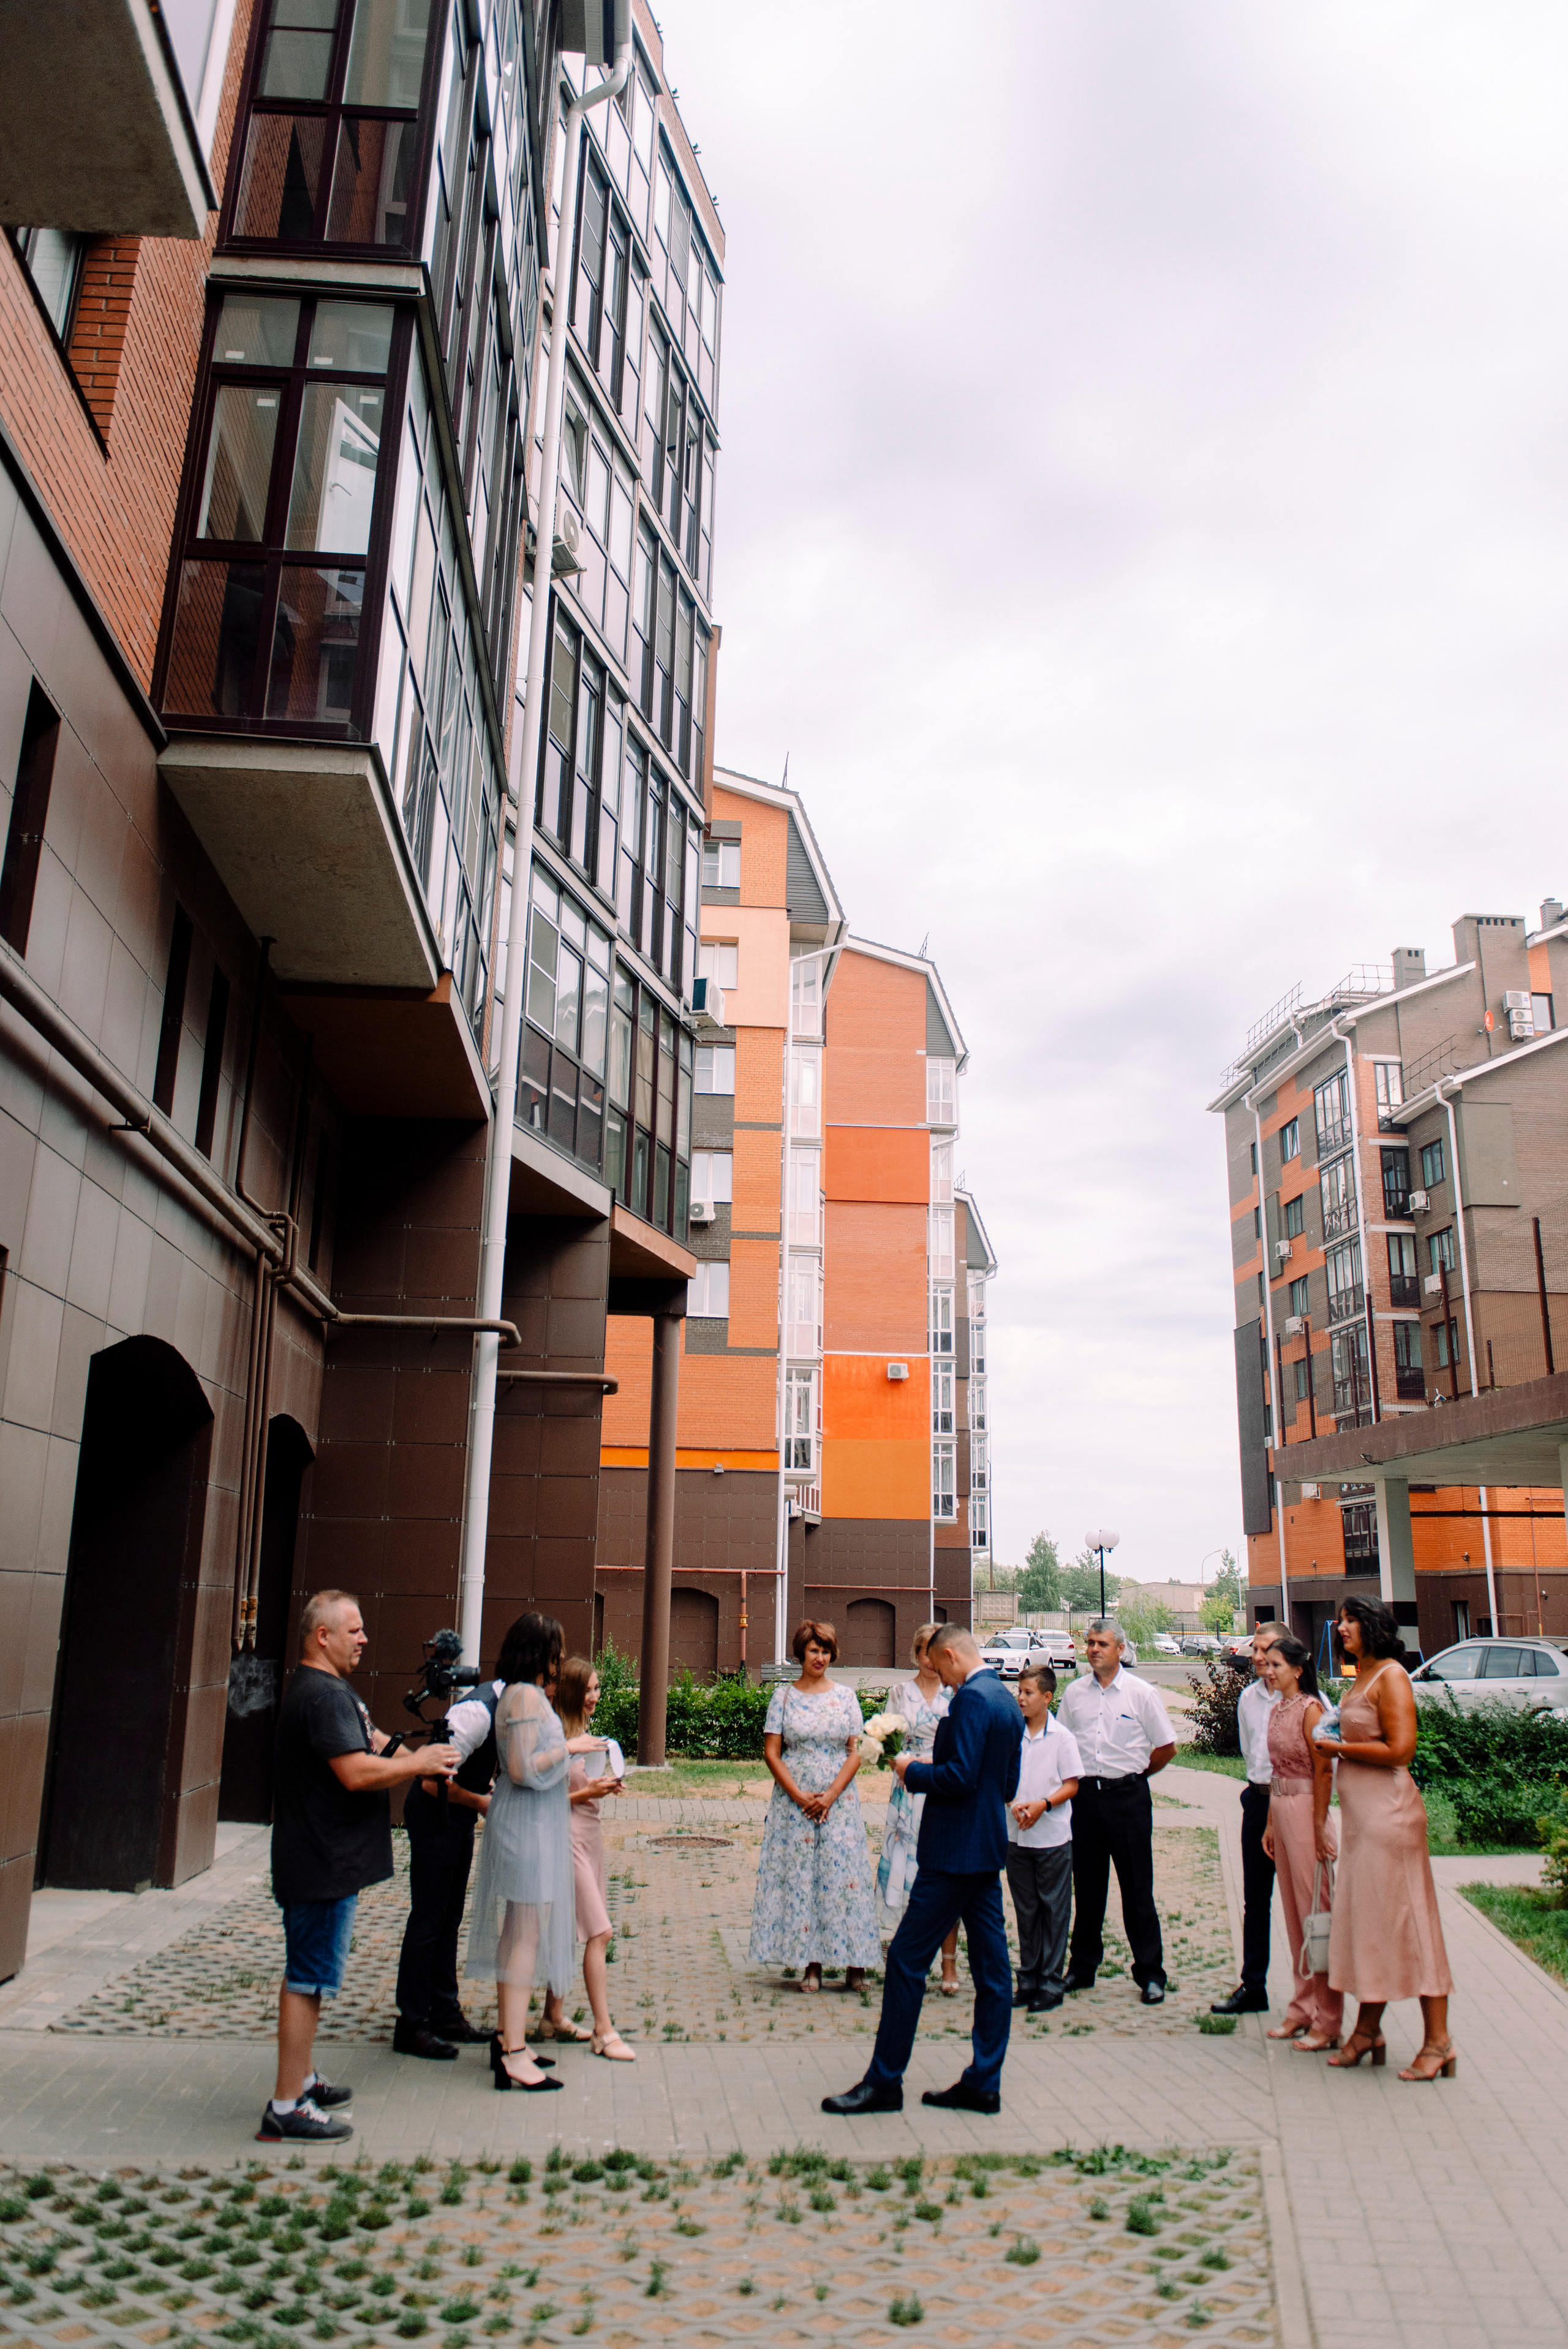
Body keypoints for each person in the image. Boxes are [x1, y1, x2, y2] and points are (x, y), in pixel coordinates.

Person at [260, 1589, 456, 2143]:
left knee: (312, 1977)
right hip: (321, 1864)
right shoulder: (321, 1696)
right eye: (354, 1630)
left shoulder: (331, 1692)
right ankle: (286, 2104)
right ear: (322, 1636)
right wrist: (417, 1762)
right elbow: (352, 1770)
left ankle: (300, 2078)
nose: (364, 1639)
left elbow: (371, 1742)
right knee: (307, 1979)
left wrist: (422, 1763)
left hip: (323, 1861)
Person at [822, 1624, 1023, 2117]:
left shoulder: (973, 1700)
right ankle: (984, 2081)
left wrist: (911, 1769)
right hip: (987, 1848)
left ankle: (885, 2082)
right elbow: (1008, 1782)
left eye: (941, 1668)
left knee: (908, 1959)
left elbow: (959, 1776)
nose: (942, 1679)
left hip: (952, 1852)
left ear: (952, 1656)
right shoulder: (1004, 1698)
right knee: (994, 1970)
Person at [1315, 1597, 1455, 2081]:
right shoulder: (1363, 1673)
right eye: (1340, 1620)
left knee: (1412, 1925)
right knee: (1371, 1927)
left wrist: (1337, 1748)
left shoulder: (1392, 1675)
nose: (1341, 1627)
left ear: (1371, 1625)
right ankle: (1367, 2030)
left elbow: (1401, 1750)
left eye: (1350, 1619)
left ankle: (1438, 2043)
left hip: (1390, 1820)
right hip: (1362, 1823)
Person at [463, 1613, 573, 2092]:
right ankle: (511, 2052)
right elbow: (522, 1767)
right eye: (556, 1650)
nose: (561, 1660)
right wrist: (573, 1747)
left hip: (527, 1821)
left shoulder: (515, 1693)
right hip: (525, 1823)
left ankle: (513, 2040)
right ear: (539, 1652)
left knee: (519, 1932)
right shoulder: (525, 1695)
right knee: (525, 1934)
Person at [748, 1621, 880, 1992]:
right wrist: (799, 1795)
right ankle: (812, 1964)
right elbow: (772, 1752)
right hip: (795, 1803)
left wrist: (831, 1794)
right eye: (813, 1651)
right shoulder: (784, 1698)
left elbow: (856, 1751)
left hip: (839, 1801)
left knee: (844, 1879)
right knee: (804, 1879)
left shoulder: (846, 1697)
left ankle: (856, 1965)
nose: (819, 1657)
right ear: (801, 1654)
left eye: (825, 1651)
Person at [1057, 1618, 1177, 2003]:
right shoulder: (1075, 1694)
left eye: (1103, 1644)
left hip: (1128, 1798)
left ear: (1120, 1650)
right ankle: (1082, 1968)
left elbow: (1166, 1747)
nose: (1094, 1650)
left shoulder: (1141, 1694)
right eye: (1090, 1643)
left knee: (1137, 1889)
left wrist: (1136, 1776)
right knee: (1088, 1889)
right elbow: (1063, 1745)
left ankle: (1150, 1973)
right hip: (1086, 1801)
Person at [393, 1659, 503, 2060]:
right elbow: (432, 1780)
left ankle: (444, 2012)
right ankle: (411, 2024)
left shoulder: (503, 1704)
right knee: (429, 1917)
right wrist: (481, 1802)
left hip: (455, 1816)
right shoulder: (478, 1710)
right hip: (434, 1814)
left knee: (449, 1917)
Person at [538, 1656, 635, 2060]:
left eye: (598, 1689)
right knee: (600, 1933)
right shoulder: (553, 1737)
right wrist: (586, 1793)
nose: (596, 1696)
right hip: (566, 1838)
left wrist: (601, 1787)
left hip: (590, 1837)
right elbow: (539, 1798)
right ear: (574, 1693)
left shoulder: (585, 1734)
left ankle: (552, 2016)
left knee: (565, 1928)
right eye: (590, 1689)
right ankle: (604, 2031)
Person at [1259, 1633, 1342, 2051]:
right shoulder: (1277, 1710)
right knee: (1294, 1915)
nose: (1268, 1671)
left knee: (1318, 1915)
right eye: (1267, 1665)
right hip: (1282, 1810)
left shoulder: (1311, 1710)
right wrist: (1272, 1825)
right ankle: (1301, 2007)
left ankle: (1329, 2019)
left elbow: (1324, 1768)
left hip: (1310, 1812)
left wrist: (1317, 1825)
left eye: (1275, 1665)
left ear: (1297, 1669)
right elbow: (1275, 1770)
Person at [875, 1623, 963, 1995]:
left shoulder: (956, 1693)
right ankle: (906, 1956)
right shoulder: (900, 1692)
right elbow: (883, 1739)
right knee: (904, 1871)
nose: (931, 1659)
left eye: (937, 1652)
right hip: (908, 1794)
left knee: (944, 1877)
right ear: (916, 1654)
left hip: (943, 1790)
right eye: (925, 1651)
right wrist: (900, 1763)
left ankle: (948, 1965)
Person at [1212, 1621, 1285, 2018]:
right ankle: (1253, 1986)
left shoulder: (1307, 1700)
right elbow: (1249, 1753)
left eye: (1267, 1650)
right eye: (1255, 1649)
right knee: (1256, 1901)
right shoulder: (1248, 1699)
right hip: (1257, 1806)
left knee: (1303, 1902)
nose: (1258, 1657)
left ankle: (1316, 1994)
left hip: (1293, 1808)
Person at [1005, 1664, 1081, 2012]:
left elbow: (1072, 1784)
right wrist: (1014, 1804)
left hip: (1051, 1836)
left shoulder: (1062, 1737)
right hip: (1016, 1836)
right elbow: (1001, 1776)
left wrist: (1043, 1805)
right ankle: (1028, 1979)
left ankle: (1051, 1983)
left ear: (1047, 1698)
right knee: (1026, 1910)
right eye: (1019, 1692)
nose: (1021, 1698)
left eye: (1028, 1693)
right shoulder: (1011, 1734)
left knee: (1054, 1910)